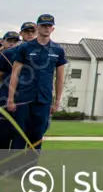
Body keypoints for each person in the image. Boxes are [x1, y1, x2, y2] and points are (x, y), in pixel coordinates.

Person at [6, 14, 67, 170]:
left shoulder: (58, 50)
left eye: (49, 26)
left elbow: (60, 78)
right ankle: (15, 170)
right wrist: (11, 99)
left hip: (44, 100)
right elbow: (15, 74)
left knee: (37, 138)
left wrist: (57, 101)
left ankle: (30, 170)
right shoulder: (25, 48)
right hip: (24, 99)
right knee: (20, 136)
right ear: (38, 27)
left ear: (53, 28)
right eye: (43, 25)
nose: (46, 28)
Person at [0, 31, 22, 150]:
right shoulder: (3, 57)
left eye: (15, 41)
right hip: (3, 99)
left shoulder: (20, 56)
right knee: (2, 136)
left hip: (18, 100)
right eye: (9, 41)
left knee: (16, 136)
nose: (12, 44)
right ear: (3, 42)